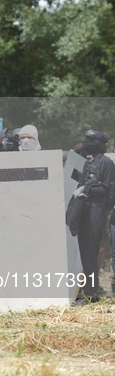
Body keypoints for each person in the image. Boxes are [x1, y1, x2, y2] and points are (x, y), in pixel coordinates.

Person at [72, 130, 115, 306]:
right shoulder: (89, 162)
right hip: (85, 210)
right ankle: (87, 291)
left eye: (90, 141)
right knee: (85, 253)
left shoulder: (106, 163)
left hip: (97, 210)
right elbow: (78, 180)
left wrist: (86, 189)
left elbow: (106, 190)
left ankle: (90, 293)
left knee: (91, 252)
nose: (86, 143)